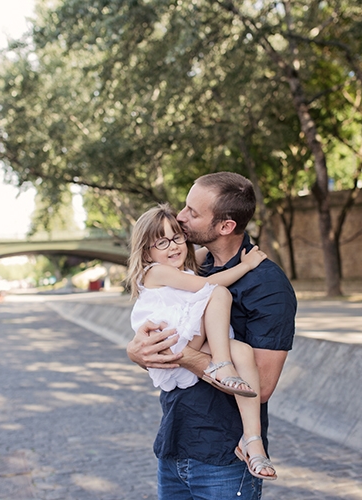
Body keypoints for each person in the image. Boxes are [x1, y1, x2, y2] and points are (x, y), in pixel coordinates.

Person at [127, 172, 297, 499]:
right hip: (174, 445)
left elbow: (259, 387)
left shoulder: (268, 286)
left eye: (192, 212)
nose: (181, 217)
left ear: (225, 226)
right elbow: (157, 338)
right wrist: (136, 353)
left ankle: (253, 442)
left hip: (222, 461)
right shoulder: (191, 267)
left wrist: (185, 357)